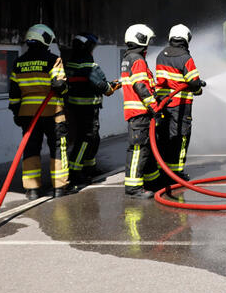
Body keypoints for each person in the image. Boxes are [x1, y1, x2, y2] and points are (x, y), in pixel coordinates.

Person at [8, 23, 72, 199]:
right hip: (53, 113)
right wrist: (63, 87)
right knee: (58, 149)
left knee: (30, 149)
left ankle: (32, 189)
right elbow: (62, 88)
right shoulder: (53, 60)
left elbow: (14, 93)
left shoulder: (18, 63)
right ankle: (59, 188)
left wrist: (16, 113)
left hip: (28, 115)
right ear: (45, 40)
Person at [64, 32, 118, 186]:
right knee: (86, 139)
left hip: (75, 108)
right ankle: (75, 171)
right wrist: (112, 86)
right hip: (88, 109)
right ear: (87, 48)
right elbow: (103, 87)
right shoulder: (90, 66)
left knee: (92, 138)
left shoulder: (71, 63)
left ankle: (90, 167)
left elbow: (84, 83)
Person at [154, 24, 206, 182]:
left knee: (163, 137)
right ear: (186, 39)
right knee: (181, 137)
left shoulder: (161, 55)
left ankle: (162, 170)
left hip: (162, 103)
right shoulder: (185, 57)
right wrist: (198, 88)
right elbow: (193, 82)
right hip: (181, 105)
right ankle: (176, 172)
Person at [120, 24, 161, 199]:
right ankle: (133, 187)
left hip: (138, 112)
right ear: (141, 39)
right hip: (140, 112)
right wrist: (153, 106)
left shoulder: (129, 58)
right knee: (138, 149)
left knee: (147, 148)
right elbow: (140, 85)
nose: (148, 45)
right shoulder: (137, 60)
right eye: (147, 41)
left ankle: (152, 181)